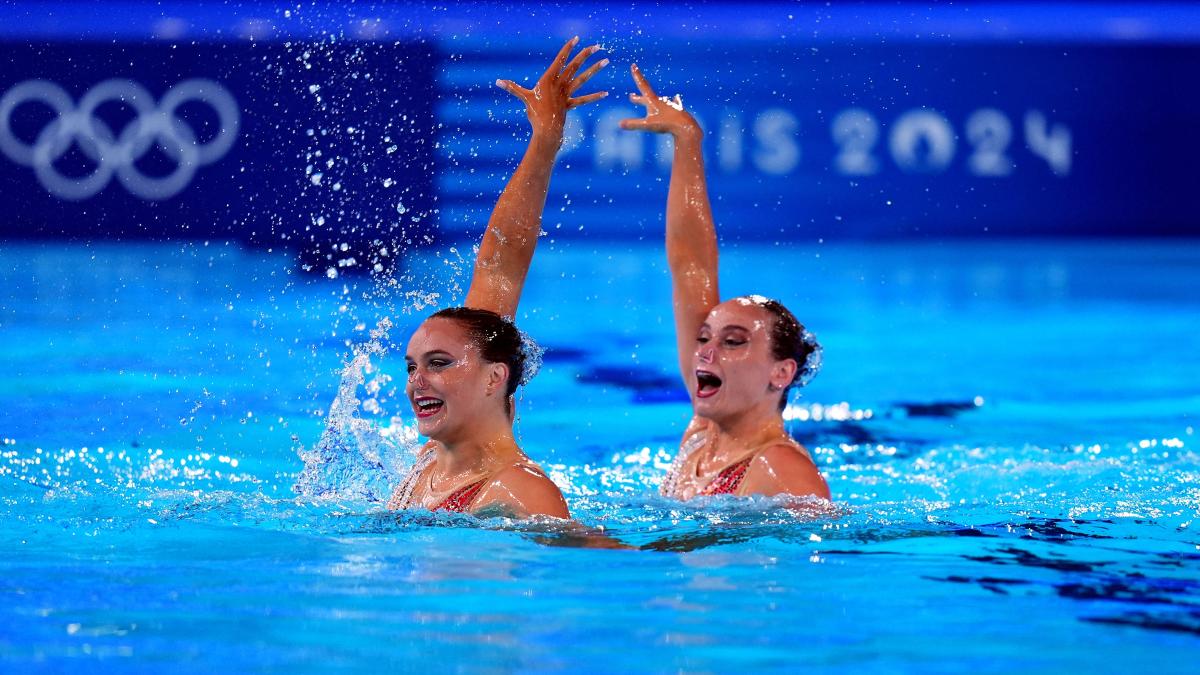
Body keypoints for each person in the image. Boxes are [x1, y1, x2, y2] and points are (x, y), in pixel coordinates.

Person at [387, 38, 608, 518]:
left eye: (438, 363)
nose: (416, 381)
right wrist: (544, 140)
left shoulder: (521, 493)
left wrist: (547, 145)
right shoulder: (431, 466)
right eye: (412, 366)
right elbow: (496, 267)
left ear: (494, 378)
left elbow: (592, 567)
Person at [619, 64, 831, 502]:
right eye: (704, 337)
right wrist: (687, 142)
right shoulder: (701, 436)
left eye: (734, 342)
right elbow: (690, 267)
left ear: (781, 372)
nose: (705, 352)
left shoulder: (782, 471)